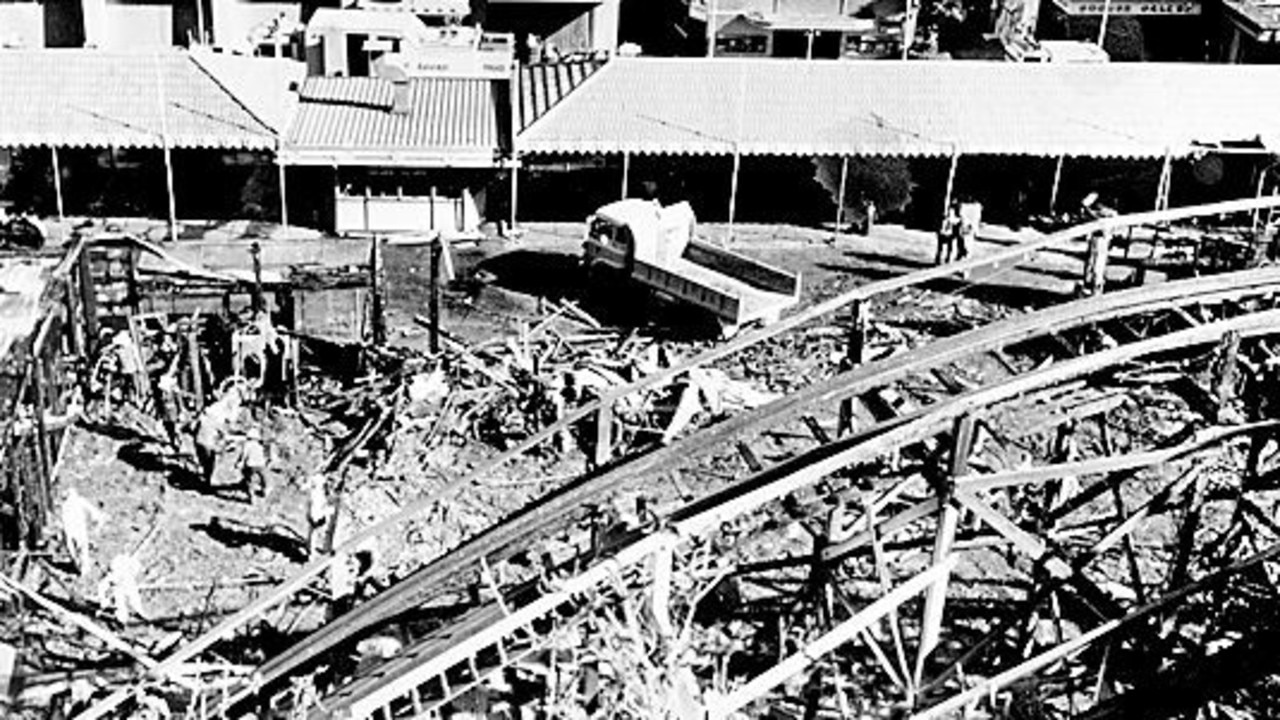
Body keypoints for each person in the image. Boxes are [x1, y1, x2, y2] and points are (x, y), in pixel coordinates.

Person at [61, 487, 107, 574]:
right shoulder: (67, 505)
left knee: (79, 549)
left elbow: (91, 510)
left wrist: (96, 518)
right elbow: (64, 521)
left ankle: (82, 569)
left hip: (77, 529)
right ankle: (80, 567)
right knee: (77, 550)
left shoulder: (76, 502)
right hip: (72, 530)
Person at [238, 426, 267, 500]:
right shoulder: (259, 445)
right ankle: (264, 490)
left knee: (249, 480)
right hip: (261, 464)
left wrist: (240, 462)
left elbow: (244, 455)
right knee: (263, 478)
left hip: (251, 464)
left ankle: (252, 497)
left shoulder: (247, 444)